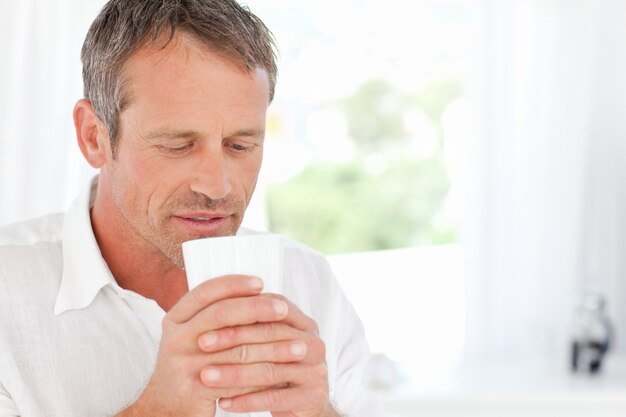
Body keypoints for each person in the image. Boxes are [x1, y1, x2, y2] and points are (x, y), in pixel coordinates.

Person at [0, 1, 382, 416]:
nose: (216, 186)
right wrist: (159, 410)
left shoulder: (310, 283)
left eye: (241, 145)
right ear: (94, 137)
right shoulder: (9, 296)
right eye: (177, 146)